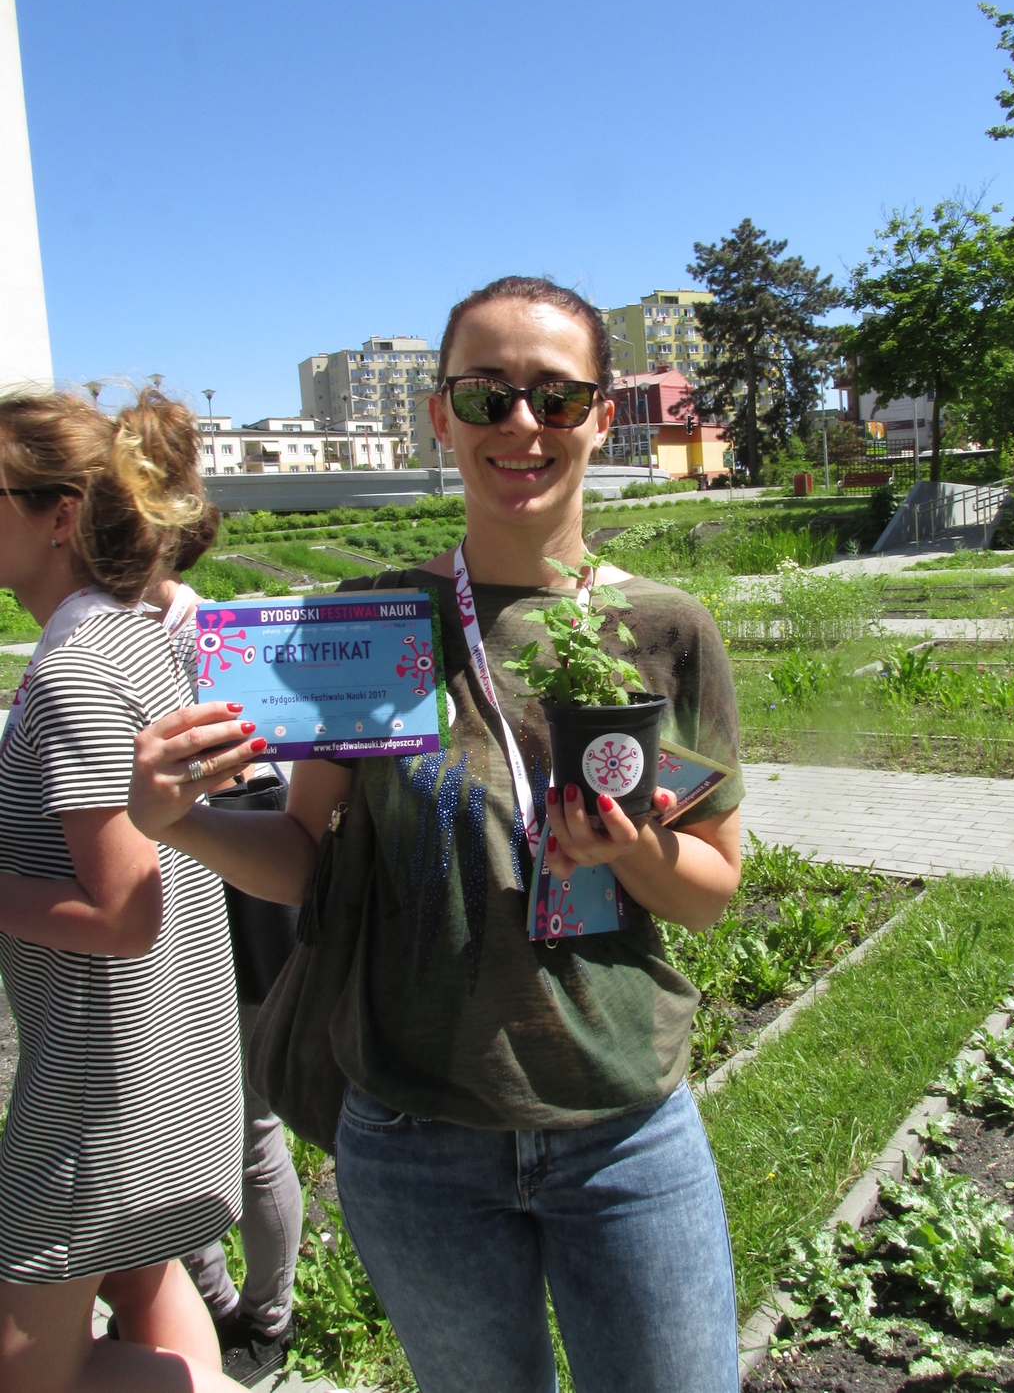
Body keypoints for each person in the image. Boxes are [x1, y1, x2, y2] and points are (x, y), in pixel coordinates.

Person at [128, 277, 746, 1393]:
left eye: (558, 397)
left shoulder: (667, 630)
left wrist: (635, 851)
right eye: (485, 395)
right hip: (415, 1142)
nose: (522, 424)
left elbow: (709, 892)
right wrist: (180, 819)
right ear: (439, 416)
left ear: (601, 417)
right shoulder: (366, 625)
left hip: (623, 1126)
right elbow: (303, 859)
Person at [0, 388, 246, 1393]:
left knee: (30, 1377)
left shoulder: (76, 670)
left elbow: (122, 913)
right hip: (172, 1058)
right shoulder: (139, 634)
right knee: (147, 1281)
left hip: (97, 1088)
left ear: (59, 516)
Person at [146, 520, 302, 1386]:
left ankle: (267, 1315)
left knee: (248, 1127)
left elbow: (261, 773)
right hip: (170, 920)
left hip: (236, 915)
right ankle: (213, 1302)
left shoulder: (218, 640)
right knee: (172, 1131)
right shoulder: (101, 636)